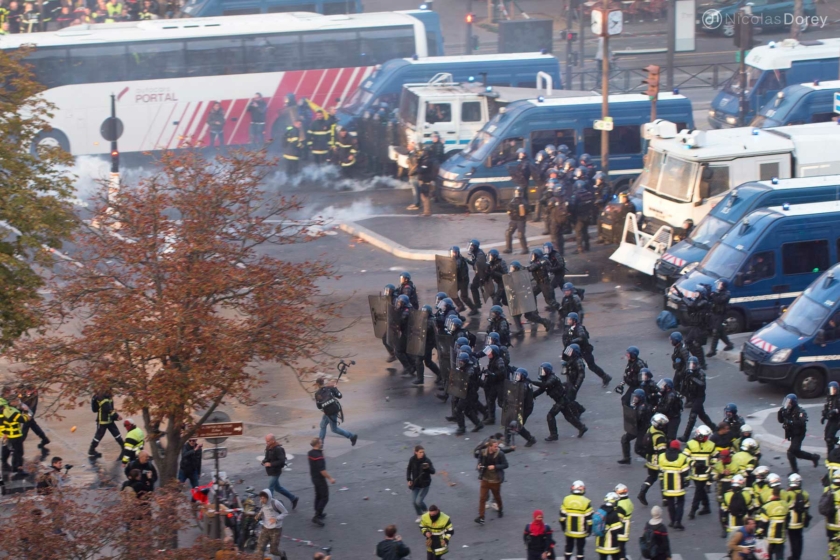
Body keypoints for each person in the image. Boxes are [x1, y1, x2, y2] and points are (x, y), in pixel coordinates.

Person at [532, 361, 587, 441]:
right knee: (569, 417)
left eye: (543, 370)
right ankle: (582, 427)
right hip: (561, 400)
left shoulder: (552, 378)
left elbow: (545, 385)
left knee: (550, 415)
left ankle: (554, 435)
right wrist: (532, 395)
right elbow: (541, 390)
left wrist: (532, 382)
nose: (541, 372)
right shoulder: (547, 379)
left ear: (547, 371)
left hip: (561, 400)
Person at [562, 312, 612, 388]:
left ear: (574, 320)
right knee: (567, 363)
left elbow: (582, 337)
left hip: (583, 350)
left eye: (570, 320)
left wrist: (572, 341)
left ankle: (605, 377)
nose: (568, 321)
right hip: (572, 349)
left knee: (591, 366)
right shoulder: (569, 328)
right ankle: (570, 382)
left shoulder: (579, 328)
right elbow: (565, 337)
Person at [778, 393, 820, 473]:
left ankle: (795, 470)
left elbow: (802, 422)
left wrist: (791, 422)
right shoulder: (787, 410)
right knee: (797, 452)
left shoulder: (800, 411)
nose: (788, 404)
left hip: (798, 434)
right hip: (792, 433)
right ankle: (813, 457)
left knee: (791, 452)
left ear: (793, 403)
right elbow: (781, 420)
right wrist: (780, 412)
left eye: (789, 402)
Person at [314, 377, 358, 445]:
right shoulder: (330, 388)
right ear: (323, 382)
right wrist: (335, 388)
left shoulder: (317, 394)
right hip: (333, 410)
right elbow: (340, 396)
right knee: (323, 425)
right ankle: (320, 444)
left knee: (334, 429)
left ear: (317, 384)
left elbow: (319, 406)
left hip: (328, 412)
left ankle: (352, 436)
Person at [680, 356, 714, 442]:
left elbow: (702, 384)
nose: (692, 366)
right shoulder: (688, 372)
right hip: (692, 396)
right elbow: (684, 384)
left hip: (699, 397)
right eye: (690, 364)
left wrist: (692, 378)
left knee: (693, 416)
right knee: (702, 415)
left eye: (693, 364)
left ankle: (685, 436)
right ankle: (714, 428)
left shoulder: (701, 373)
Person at [637, 413, 668, 506]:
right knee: (663, 478)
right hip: (658, 460)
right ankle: (665, 499)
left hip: (650, 459)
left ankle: (642, 492)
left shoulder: (650, 429)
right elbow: (662, 451)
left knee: (652, 477)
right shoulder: (660, 437)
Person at [474, 438, 508, 524]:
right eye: (495, 446)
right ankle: (481, 517)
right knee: (482, 498)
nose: (497, 448)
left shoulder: (500, 454)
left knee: (497, 496)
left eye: (497, 446)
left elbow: (505, 465)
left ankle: (500, 509)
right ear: (490, 447)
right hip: (485, 479)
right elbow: (479, 460)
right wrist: (479, 465)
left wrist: (495, 466)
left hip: (495, 480)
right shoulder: (483, 452)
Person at [684, 425, 715, 519]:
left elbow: (715, 458)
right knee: (701, 490)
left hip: (705, 473)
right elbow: (685, 457)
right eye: (705, 436)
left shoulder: (711, 445)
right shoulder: (690, 444)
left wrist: (710, 469)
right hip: (695, 472)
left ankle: (693, 510)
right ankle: (706, 507)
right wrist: (693, 463)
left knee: (698, 492)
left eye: (707, 436)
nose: (706, 438)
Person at [658, 440, 689, 530]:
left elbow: (660, 471)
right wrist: (687, 481)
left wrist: (662, 483)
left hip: (667, 485)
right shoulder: (682, 457)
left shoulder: (662, 456)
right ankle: (678, 522)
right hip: (679, 486)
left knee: (670, 504)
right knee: (680, 503)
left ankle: (672, 521)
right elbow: (685, 472)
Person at [756, 474, 789, 560]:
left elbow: (763, 522)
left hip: (769, 536)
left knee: (768, 555)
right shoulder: (785, 505)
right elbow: (788, 518)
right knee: (780, 555)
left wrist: (758, 533)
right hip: (781, 536)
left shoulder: (767, 506)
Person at [263, 433, 298, 509]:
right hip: (271, 471)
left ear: (273, 440)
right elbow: (267, 458)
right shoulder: (269, 447)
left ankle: (270, 506)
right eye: (266, 441)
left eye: (268, 441)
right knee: (277, 488)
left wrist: (270, 464)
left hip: (276, 471)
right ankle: (293, 498)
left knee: (270, 488)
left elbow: (282, 461)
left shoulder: (278, 449)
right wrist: (264, 462)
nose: (267, 443)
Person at [559, 480, 593, 560]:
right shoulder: (586, 501)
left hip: (569, 531)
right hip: (581, 532)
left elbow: (562, 518)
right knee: (580, 550)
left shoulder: (566, 499)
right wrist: (589, 530)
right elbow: (589, 520)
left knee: (568, 548)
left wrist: (564, 528)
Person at [618, 389, 651, 465]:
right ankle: (627, 458)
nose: (634, 398)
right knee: (625, 439)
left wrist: (633, 409)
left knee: (638, 448)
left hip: (642, 429)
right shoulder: (637, 405)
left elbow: (637, 418)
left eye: (636, 397)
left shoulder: (642, 408)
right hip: (636, 427)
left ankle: (651, 459)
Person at [88, 390, 124, 458]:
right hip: (104, 421)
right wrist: (117, 416)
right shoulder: (104, 399)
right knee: (99, 436)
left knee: (115, 433)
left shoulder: (103, 397)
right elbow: (108, 409)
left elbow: (109, 408)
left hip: (107, 420)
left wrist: (114, 416)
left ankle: (123, 447)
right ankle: (91, 450)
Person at [255, 488, 289, 559]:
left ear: (268, 498)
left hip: (275, 529)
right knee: (260, 548)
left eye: (264, 498)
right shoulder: (262, 502)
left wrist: (276, 519)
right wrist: (259, 514)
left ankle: (282, 554)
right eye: (261, 498)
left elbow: (285, 512)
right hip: (265, 528)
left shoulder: (275, 503)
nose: (262, 500)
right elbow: (263, 508)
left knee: (273, 550)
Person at [783, 473, 809, 560]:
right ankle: (798, 555)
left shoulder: (788, 494)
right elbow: (807, 506)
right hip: (801, 520)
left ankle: (794, 556)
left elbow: (785, 506)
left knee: (793, 540)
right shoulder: (804, 493)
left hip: (791, 522)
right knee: (799, 538)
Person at [707, 279, 734, 357]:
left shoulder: (727, 294)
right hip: (714, 314)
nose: (718, 285)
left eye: (720, 284)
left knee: (716, 332)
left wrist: (713, 295)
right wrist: (708, 291)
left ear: (724, 286)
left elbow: (719, 300)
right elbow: (711, 298)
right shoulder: (717, 292)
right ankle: (729, 344)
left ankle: (713, 350)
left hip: (721, 315)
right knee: (720, 331)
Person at [407, 445, 435, 518]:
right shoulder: (412, 459)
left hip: (424, 485)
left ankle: (426, 512)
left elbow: (433, 471)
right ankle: (420, 515)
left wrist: (427, 468)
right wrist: (409, 479)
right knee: (414, 502)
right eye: (420, 452)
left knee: (418, 502)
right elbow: (409, 469)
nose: (422, 453)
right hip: (415, 484)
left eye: (423, 452)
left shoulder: (427, 460)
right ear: (416, 452)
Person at [595, 492, 624, 560]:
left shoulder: (600, 511)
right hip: (611, 544)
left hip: (600, 543)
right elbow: (617, 530)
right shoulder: (614, 514)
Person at [449, 246, 478, 314]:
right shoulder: (455, 259)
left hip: (463, 281)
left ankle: (474, 309)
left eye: (455, 253)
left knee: (464, 297)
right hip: (458, 280)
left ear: (458, 253)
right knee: (452, 293)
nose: (453, 254)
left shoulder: (459, 261)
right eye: (452, 253)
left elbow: (455, 269)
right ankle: (461, 306)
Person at [504, 186, 529, 255]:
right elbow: (508, 207)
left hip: (520, 220)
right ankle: (509, 248)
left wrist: (523, 210)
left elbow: (527, 211)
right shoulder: (512, 201)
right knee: (508, 233)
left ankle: (525, 248)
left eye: (519, 193)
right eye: (516, 192)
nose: (517, 194)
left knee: (520, 234)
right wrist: (509, 211)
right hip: (513, 220)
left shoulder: (524, 202)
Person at [465, 239, 487, 315]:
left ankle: (477, 306)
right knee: (474, 287)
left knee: (474, 287)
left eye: (471, 246)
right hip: (480, 273)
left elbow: (479, 266)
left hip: (482, 273)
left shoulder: (479, 254)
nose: (470, 247)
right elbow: (475, 264)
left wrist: (481, 278)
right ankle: (477, 305)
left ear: (475, 247)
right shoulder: (475, 252)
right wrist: (467, 261)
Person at [614, 484, 634, 560]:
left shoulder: (620, 504)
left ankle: (622, 558)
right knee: (622, 545)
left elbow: (619, 518)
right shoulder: (628, 501)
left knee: (619, 546)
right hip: (626, 525)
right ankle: (623, 557)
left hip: (621, 526)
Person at [825, 381, 840, 454]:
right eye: (831, 389)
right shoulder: (829, 398)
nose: (832, 391)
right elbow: (827, 408)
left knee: (829, 438)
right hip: (831, 419)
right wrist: (824, 416)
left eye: (834, 389)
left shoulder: (838, 399)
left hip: (837, 420)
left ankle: (831, 456)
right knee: (826, 437)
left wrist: (835, 411)